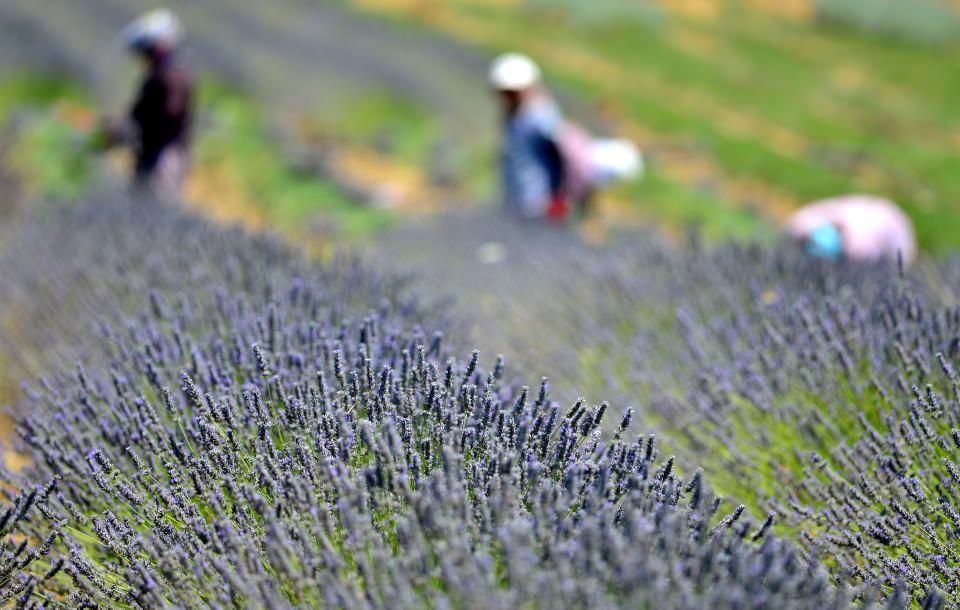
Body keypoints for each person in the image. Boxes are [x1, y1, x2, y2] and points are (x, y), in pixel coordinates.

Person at [489, 53, 641, 222]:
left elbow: (569, 153)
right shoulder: (520, 117)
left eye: (511, 92)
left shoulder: (537, 118)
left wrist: (563, 196)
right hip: (522, 201)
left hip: (537, 205)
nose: (506, 98)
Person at [120, 8, 193, 200]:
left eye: (148, 51)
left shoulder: (172, 77)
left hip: (163, 157)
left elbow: (171, 115)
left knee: (156, 206)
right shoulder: (158, 77)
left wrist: (136, 129)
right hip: (152, 154)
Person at [786, 194, 917, 266]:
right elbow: (796, 223)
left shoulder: (861, 245)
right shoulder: (809, 220)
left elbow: (904, 257)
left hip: (893, 229)